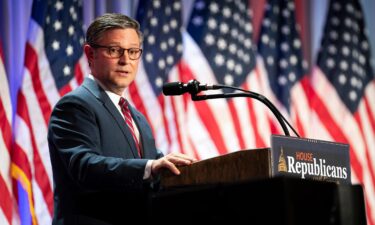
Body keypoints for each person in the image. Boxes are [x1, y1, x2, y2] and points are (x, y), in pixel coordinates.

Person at [47, 13, 196, 225]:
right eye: (114, 50)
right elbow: (84, 166)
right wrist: (150, 167)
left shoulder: (138, 119)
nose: (125, 60)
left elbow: (152, 176)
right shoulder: (75, 106)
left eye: (133, 51)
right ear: (90, 54)